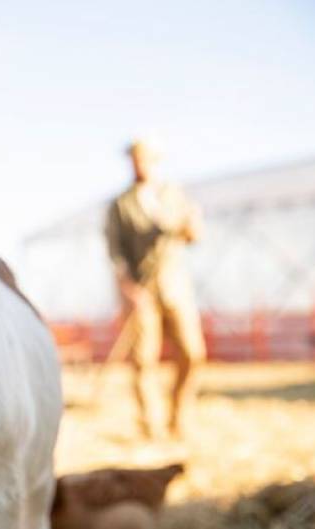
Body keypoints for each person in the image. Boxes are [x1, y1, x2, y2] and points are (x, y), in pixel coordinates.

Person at [104, 140, 206, 439]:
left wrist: (191, 226)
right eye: (136, 159)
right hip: (141, 291)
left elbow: (193, 235)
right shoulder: (120, 205)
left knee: (192, 353)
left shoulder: (174, 195)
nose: (140, 164)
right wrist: (128, 289)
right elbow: (115, 253)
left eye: (146, 159)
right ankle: (151, 425)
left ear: (156, 162)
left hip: (175, 286)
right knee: (143, 360)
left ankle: (179, 415)